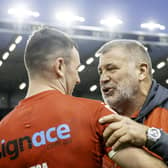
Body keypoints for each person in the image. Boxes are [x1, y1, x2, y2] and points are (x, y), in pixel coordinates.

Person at [0, 27, 117, 168]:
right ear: (60, 66)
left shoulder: (2, 131)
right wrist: (150, 136)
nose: (78, 79)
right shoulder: (97, 113)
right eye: (76, 69)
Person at [96, 39, 168, 168]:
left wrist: (150, 136)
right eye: (100, 72)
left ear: (141, 71)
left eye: (111, 69)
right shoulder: (100, 122)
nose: (103, 79)